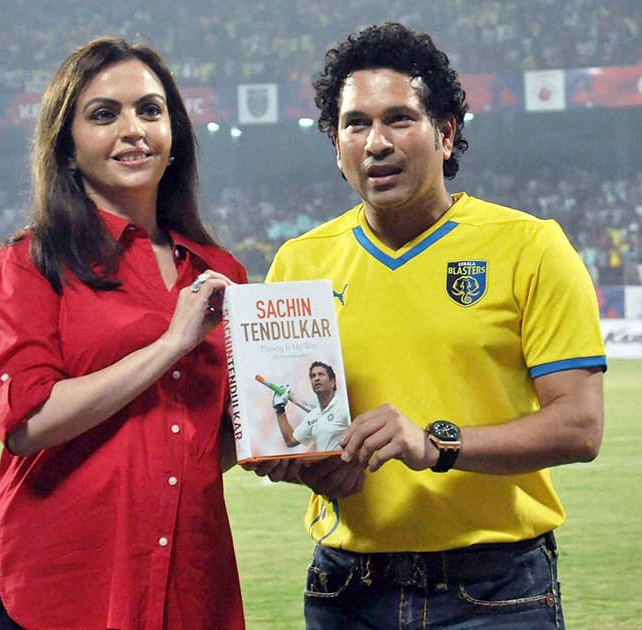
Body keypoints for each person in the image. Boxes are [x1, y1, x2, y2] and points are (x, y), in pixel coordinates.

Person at [257, 23, 607, 628]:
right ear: (336, 144)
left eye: (398, 119)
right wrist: (304, 465)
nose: (375, 143)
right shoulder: (299, 262)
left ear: (445, 134)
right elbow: (292, 430)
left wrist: (434, 443)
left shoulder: (531, 247)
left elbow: (580, 427)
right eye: (355, 124)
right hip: (346, 591)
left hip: (494, 593)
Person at [0, 37, 245, 630]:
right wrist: (170, 345)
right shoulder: (27, 264)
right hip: (58, 586)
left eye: (150, 110)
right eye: (104, 114)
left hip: (187, 582)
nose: (133, 129)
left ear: (175, 133)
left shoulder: (219, 273)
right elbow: (27, 423)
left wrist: (285, 438)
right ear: (66, 147)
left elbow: (208, 437)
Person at [272, 361, 351, 453]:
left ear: (332, 382)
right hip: (324, 466)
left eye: (321, 374)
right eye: (313, 376)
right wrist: (279, 409)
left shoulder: (343, 407)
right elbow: (290, 441)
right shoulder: (314, 415)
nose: (316, 378)